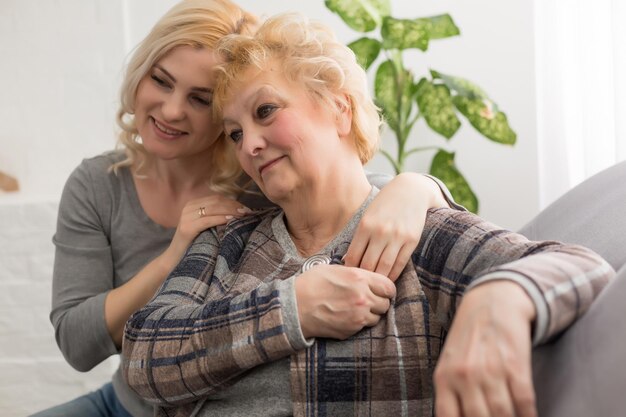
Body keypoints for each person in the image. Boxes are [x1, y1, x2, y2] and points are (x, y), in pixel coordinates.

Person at [121, 13, 615, 417]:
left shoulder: (416, 233)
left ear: (339, 108)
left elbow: (583, 267)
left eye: (266, 111)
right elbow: (143, 356)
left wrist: (500, 296)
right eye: (234, 132)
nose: (249, 144)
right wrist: (289, 309)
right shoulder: (228, 239)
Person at [33, 2, 458, 417]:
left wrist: (417, 186)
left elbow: (351, 191)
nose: (172, 109)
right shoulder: (97, 184)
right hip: (124, 402)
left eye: (200, 100)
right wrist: (170, 259)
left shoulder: (260, 182)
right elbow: (77, 343)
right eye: (161, 81)